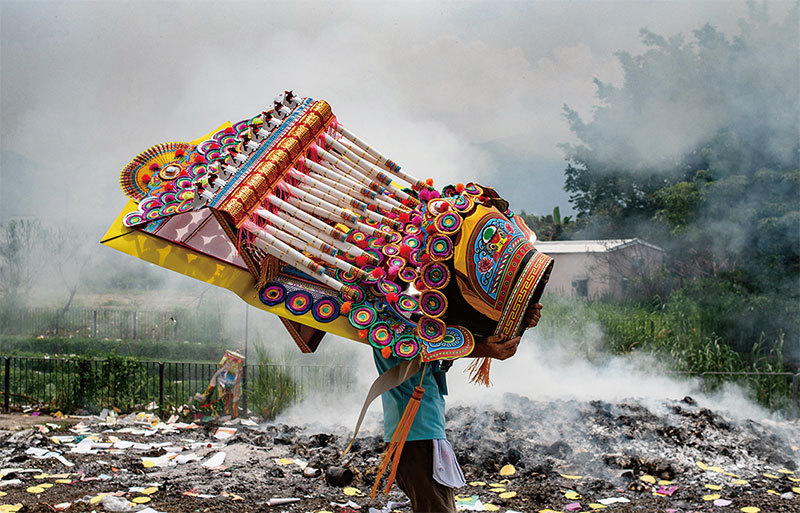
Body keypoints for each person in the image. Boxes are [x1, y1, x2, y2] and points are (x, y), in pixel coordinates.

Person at [373, 302, 544, 513]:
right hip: (415, 435)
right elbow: (426, 344)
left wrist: (516, 321)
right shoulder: (392, 319)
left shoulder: (417, 321)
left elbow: (448, 339)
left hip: (425, 432)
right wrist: (483, 348)